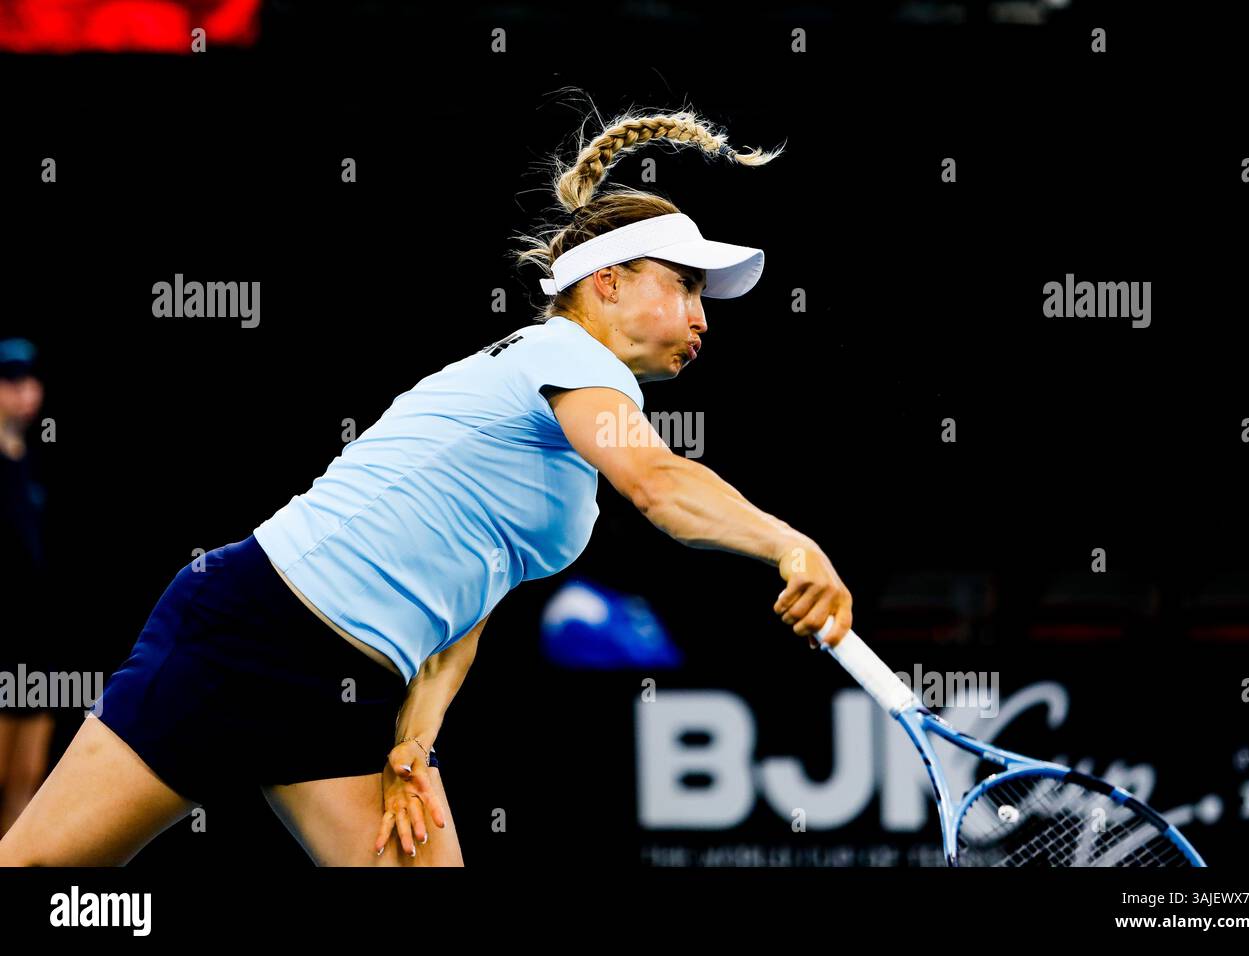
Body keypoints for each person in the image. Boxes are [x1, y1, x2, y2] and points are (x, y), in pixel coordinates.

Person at [0, 106, 853, 867]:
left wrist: (414, 739)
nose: (704, 316)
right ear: (608, 284)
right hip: (244, 628)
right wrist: (789, 543)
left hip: (349, 695)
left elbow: (461, 614)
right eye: (687, 285)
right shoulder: (565, 357)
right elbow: (662, 484)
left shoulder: (570, 474)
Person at [0, 338, 56, 838]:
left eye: (29, 380)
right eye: (11, 382)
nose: (25, 393)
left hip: (36, 643)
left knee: (28, 782)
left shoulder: (37, 463)